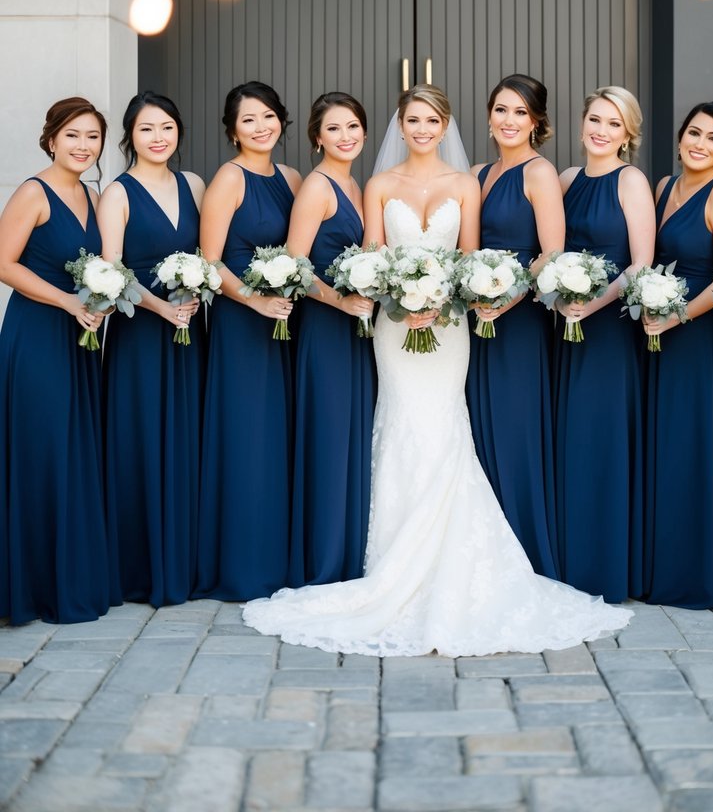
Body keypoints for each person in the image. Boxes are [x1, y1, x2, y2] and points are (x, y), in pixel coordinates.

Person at [243, 85, 631, 655]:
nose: (422, 129)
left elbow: (471, 257)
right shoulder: (377, 184)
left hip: (450, 328)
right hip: (394, 330)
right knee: (401, 421)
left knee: (446, 425)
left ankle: (454, 559)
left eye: (432, 120)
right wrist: (393, 295)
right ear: (399, 126)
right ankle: (389, 559)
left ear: (445, 124)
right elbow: (368, 259)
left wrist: (452, 297)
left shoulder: (465, 184)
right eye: (412, 120)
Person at [0, 97, 109, 624]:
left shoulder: (90, 196)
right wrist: (67, 300)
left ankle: (67, 578)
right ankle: (30, 588)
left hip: (79, 338)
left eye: (92, 137)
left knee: (71, 452)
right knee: (42, 452)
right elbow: (3, 263)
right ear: (51, 139)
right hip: (38, 335)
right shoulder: (33, 192)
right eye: (73, 135)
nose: (83, 146)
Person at [98, 92, 206, 607]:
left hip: (189, 334)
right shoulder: (117, 193)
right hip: (141, 332)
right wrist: (162, 309)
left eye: (166, 126)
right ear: (130, 137)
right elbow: (111, 272)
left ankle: (182, 563)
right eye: (146, 129)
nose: (159, 137)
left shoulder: (194, 185)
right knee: (140, 441)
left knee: (186, 441)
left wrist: (193, 294)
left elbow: (210, 256)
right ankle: (140, 570)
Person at [195, 82, 301, 601]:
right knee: (246, 439)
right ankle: (242, 565)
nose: (261, 127)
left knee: (278, 439)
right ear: (232, 130)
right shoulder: (227, 180)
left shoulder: (292, 177)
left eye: (268, 117)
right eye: (248, 120)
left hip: (284, 323)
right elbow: (208, 261)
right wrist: (254, 301)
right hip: (243, 324)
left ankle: (277, 558)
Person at [643, 102, 713, 609]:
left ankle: (694, 575)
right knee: (664, 448)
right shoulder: (664, 187)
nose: (699, 144)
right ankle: (661, 566)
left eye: (712, 138)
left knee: (691, 448)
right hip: (657, 333)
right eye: (693, 133)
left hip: (698, 337)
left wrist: (677, 315)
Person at [555, 86, 655, 603]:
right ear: (582, 123)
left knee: (602, 439)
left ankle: (606, 567)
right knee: (570, 441)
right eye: (595, 119)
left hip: (609, 327)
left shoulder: (631, 180)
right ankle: (571, 560)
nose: (601, 130)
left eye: (614, 124)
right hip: (564, 329)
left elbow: (640, 263)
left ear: (628, 134)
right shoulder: (567, 180)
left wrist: (590, 306)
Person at [466, 74, 564, 577]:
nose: (509, 121)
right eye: (502, 110)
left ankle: (525, 554)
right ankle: (485, 551)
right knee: (478, 432)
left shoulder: (539, 173)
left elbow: (550, 253)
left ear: (537, 122)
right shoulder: (479, 173)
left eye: (521, 113)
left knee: (516, 430)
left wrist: (505, 300)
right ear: (488, 116)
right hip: (476, 320)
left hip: (519, 321)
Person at [287, 93, 377, 586]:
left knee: (351, 438)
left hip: (356, 331)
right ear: (317, 137)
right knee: (328, 438)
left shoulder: (356, 185)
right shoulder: (318, 188)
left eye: (354, 126)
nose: (347, 136)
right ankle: (323, 560)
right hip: (326, 330)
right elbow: (293, 267)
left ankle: (348, 552)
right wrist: (339, 303)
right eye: (335, 128)